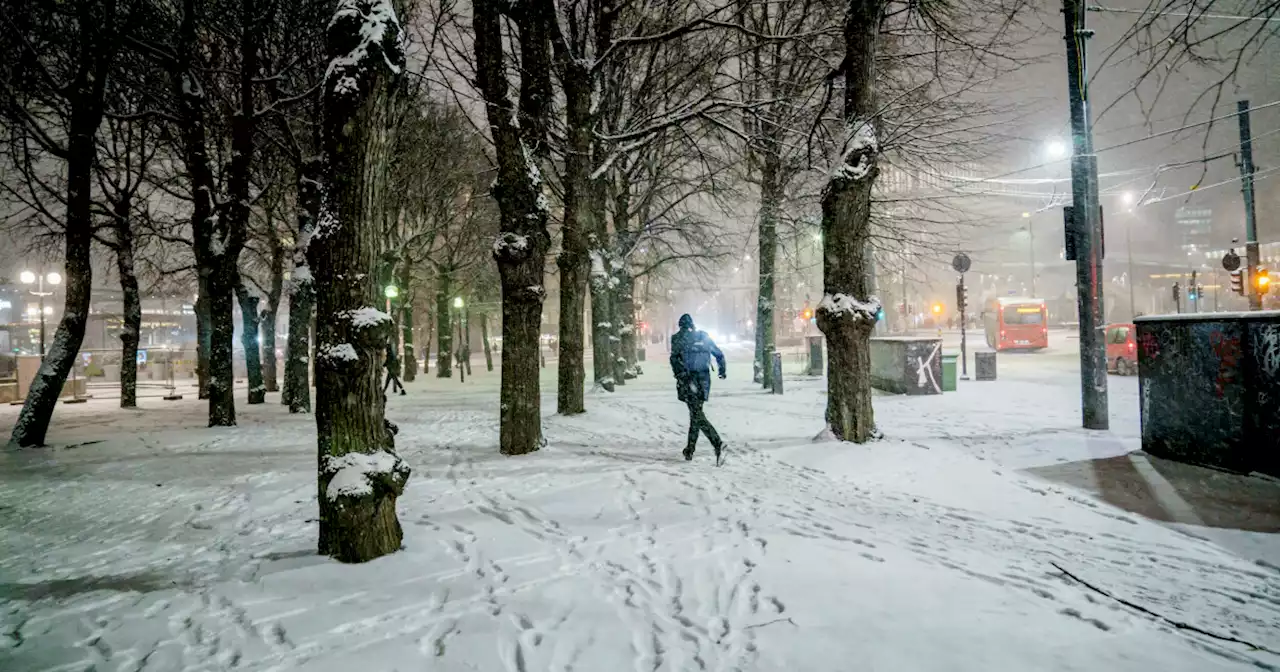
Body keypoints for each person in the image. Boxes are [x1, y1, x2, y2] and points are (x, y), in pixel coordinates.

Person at [669, 314, 727, 464]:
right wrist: (722, 371)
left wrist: (681, 375)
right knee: (695, 414)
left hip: (689, 381)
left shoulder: (677, 338)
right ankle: (689, 450)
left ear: (680, 325)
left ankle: (718, 443)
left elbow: (674, 359)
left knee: (697, 415)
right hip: (704, 381)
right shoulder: (703, 336)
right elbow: (719, 354)